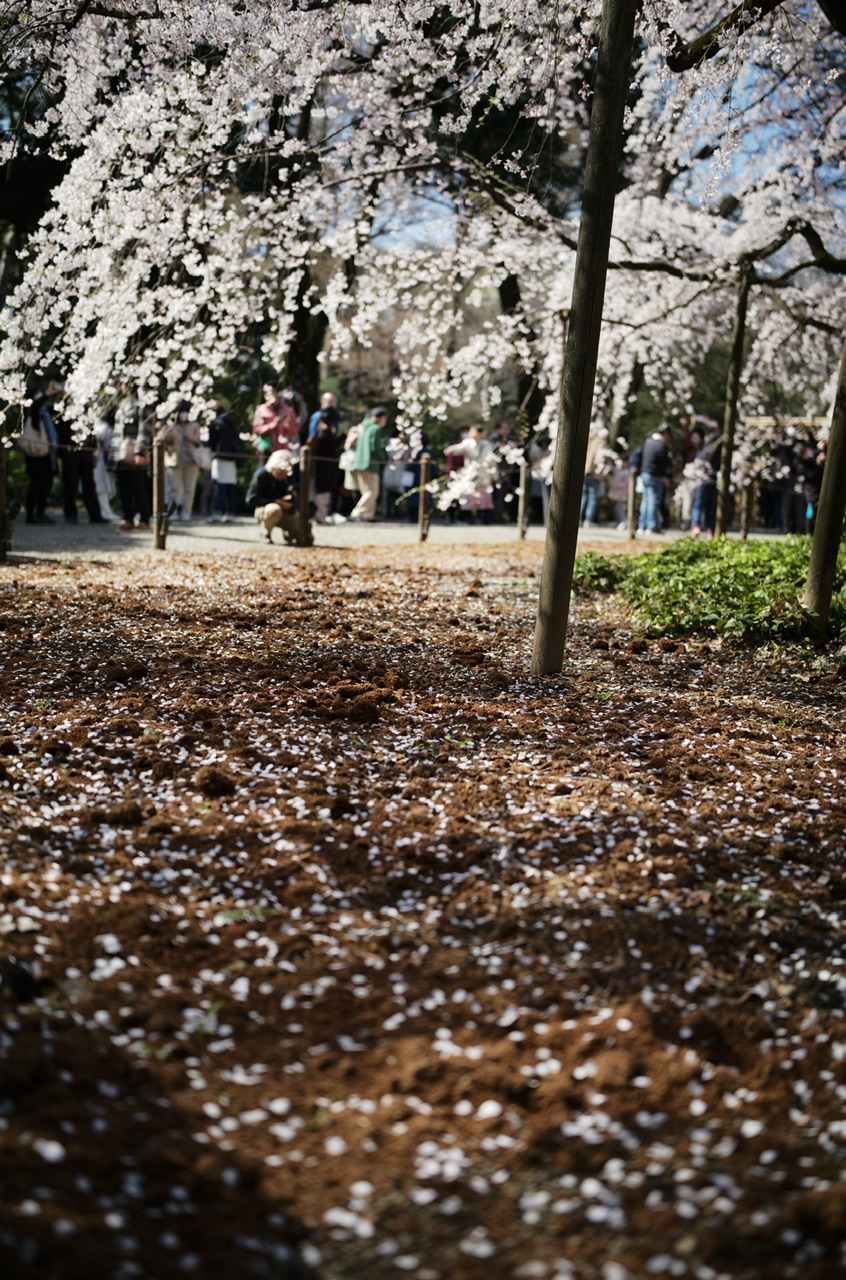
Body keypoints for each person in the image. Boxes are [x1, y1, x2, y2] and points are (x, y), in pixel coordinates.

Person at [245, 450, 312, 545]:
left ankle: (288, 533)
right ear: (273, 469)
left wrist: (291, 496)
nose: (284, 475)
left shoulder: (287, 476)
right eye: (281, 472)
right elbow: (251, 500)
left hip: (285, 511)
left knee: (302, 537)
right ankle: (265, 533)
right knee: (274, 510)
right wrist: (277, 501)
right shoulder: (261, 475)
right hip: (265, 510)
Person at [111, 391, 152, 531]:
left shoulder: (142, 403)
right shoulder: (123, 403)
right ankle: (128, 518)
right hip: (120, 450)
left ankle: (144, 519)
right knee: (124, 488)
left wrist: (140, 450)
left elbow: (144, 428)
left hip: (134, 451)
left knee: (137, 486)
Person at [21, 386, 58, 525]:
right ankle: (31, 513)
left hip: (45, 453)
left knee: (46, 483)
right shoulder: (31, 409)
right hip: (36, 453)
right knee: (36, 484)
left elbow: (56, 409)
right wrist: (47, 394)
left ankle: (40, 512)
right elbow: (36, 404)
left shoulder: (43, 411)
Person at [444, 423, 497, 520]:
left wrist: (495, 476)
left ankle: (484, 517)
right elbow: (459, 447)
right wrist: (450, 449)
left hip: (483, 473)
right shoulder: (467, 443)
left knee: (484, 496)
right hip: (471, 473)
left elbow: (492, 461)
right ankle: (468, 517)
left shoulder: (487, 444)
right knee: (469, 495)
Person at [161, 400, 201, 521]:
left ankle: (187, 512)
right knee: (173, 488)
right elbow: (163, 443)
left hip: (191, 460)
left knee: (189, 488)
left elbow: (200, 443)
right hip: (174, 460)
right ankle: (172, 511)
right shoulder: (170, 426)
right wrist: (169, 437)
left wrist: (192, 439)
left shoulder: (194, 426)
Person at [349, 407, 389, 522]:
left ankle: (368, 515)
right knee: (372, 491)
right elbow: (374, 447)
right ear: (381, 418)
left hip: (359, 462)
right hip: (370, 464)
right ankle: (358, 512)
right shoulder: (375, 429)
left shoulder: (364, 428)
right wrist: (383, 457)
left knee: (367, 491)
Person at [207, 401, 244, 524]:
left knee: (219, 487)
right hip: (232, 458)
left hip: (220, 457)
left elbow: (211, 441)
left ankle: (217, 512)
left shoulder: (216, 423)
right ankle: (230, 513)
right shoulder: (231, 422)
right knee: (229, 488)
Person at [636, 425, 673, 535]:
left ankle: (642, 526)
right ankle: (652, 526)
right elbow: (664, 463)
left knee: (645, 500)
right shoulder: (660, 445)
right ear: (665, 434)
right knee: (653, 501)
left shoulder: (648, 442)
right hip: (655, 475)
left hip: (645, 473)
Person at [309, 404, 343, 524]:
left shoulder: (326, 429)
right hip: (323, 467)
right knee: (322, 491)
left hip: (327, 466)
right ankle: (320, 515)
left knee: (325, 491)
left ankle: (323, 514)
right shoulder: (323, 430)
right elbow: (331, 447)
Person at [580, 427, 618, 526]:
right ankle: (588, 520)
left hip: (585, 471)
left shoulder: (589, 441)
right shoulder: (601, 443)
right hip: (595, 473)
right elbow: (600, 458)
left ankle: (578, 518)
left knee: (583, 496)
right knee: (592, 497)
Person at [252, 381, 299, 458]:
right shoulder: (261, 409)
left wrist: (288, 425)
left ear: (277, 392)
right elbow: (256, 429)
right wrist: (273, 425)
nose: (268, 395)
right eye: (266, 392)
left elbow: (294, 431)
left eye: (271, 392)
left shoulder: (288, 410)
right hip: (266, 451)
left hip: (284, 451)